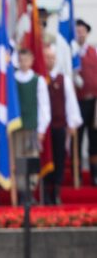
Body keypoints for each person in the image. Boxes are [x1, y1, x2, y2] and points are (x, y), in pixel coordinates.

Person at [43, 45, 83, 204]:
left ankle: (56, 191)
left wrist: (72, 122)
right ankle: (45, 191)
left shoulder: (63, 79)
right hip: (44, 128)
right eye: (47, 57)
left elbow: (70, 102)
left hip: (59, 125)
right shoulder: (39, 78)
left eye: (52, 58)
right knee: (46, 158)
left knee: (59, 158)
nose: (49, 60)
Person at [14, 48, 51, 203]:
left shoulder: (38, 80)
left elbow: (44, 106)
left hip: (32, 127)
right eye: (21, 60)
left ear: (32, 60)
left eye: (26, 60)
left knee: (32, 159)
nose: (23, 63)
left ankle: (31, 190)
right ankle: (21, 190)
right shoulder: (12, 80)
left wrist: (42, 128)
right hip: (16, 129)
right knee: (19, 160)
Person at [73, 19, 97, 185]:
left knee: (94, 139)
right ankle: (78, 173)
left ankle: (94, 174)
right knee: (78, 138)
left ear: (87, 33)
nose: (80, 34)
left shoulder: (93, 52)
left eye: (83, 31)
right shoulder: (71, 54)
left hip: (93, 102)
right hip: (77, 103)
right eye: (78, 31)